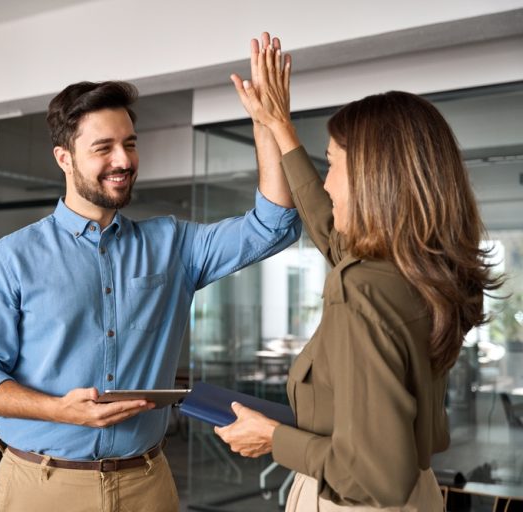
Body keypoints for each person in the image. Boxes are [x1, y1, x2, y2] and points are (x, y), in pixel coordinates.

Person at [0, 80, 301, 511]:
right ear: (64, 158)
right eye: (104, 147)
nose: (123, 160)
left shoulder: (174, 245)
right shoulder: (8, 259)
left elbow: (274, 225)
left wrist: (267, 124)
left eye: (129, 144)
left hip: (146, 486)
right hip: (42, 485)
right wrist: (60, 410)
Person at [214, 33, 502, 510]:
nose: (325, 183)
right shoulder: (423, 272)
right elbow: (330, 229)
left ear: (373, 181)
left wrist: (273, 438)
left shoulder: (365, 288)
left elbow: (372, 475)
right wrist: (280, 127)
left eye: (332, 166)